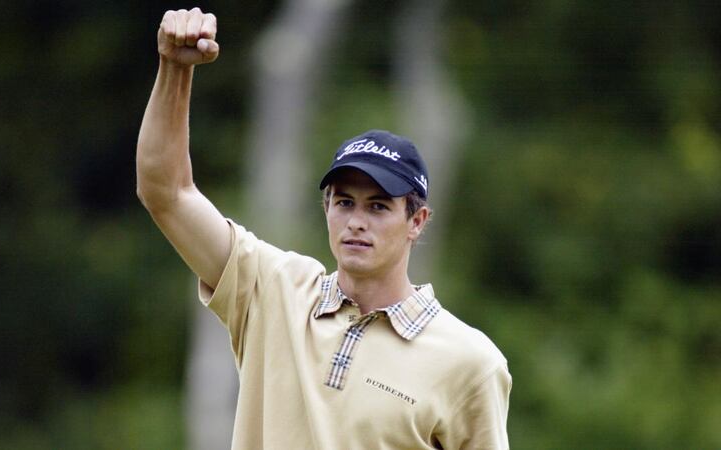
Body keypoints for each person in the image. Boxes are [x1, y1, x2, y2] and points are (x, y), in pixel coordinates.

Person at [136, 7, 511, 450]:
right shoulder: (273, 290)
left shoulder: (470, 362)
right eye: (345, 202)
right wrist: (174, 69)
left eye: (378, 207)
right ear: (326, 207)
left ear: (417, 221)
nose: (356, 222)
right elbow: (167, 192)